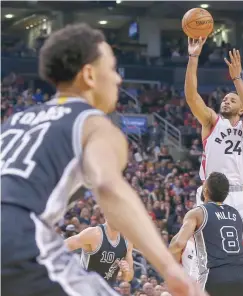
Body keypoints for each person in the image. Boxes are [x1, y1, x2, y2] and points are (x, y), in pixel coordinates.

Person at [1, 23, 205, 296]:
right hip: (19, 237)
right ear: (89, 75)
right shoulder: (94, 124)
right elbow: (108, 187)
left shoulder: (14, 122)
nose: (118, 79)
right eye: (111, 69)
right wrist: (170, 268)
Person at [185, 37, 243, 274]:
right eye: (224, 98)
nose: (226, 100)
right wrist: (193, 58)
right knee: (204, 254)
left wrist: (237, 79)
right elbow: (191, 96)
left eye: (232, 99)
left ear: (240, 108)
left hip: (240, 195)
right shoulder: (211, 121)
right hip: (212, 194)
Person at [169, 172, 243, 296]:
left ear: (205, 190)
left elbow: (178, 243)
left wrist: (170, 264)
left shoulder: (198, 213)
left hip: (215, 278)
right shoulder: (237, 215)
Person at [65, 220, 134, 285]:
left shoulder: (127, 241)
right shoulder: (94, 234)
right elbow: (62, 246)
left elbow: (128, 278)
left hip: (107, 289)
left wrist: (126, 272)